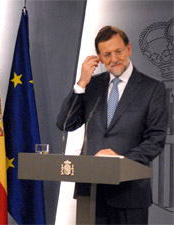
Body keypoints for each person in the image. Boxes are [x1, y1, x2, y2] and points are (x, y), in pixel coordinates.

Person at [56, 26, 168, 224]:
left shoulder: (152, 89)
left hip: (129, 193)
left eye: (118, 51)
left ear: (129, 49)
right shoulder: (91, 86)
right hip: (91, 193)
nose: (114, 59)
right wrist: (81, 83)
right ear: (98, 57)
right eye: (107, 54)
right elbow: (65, 123)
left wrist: (121, 160)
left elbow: (156, 139)